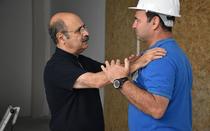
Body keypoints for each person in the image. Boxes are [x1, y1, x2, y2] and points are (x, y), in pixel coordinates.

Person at [44, 12, 166, 131]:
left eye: (84, 27)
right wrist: (140, 62)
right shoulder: (56, 67)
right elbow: (97, 80)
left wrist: (133, 63)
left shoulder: (80, 60)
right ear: (61, 38)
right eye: (79, 30)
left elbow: (109, 72)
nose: (86, 33)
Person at [101, 0, 193, 131]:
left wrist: (120, 81)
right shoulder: (172, 53)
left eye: (137, 20)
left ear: (155, 22)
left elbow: (157, 109)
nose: (133, 25)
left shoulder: (160, 57)